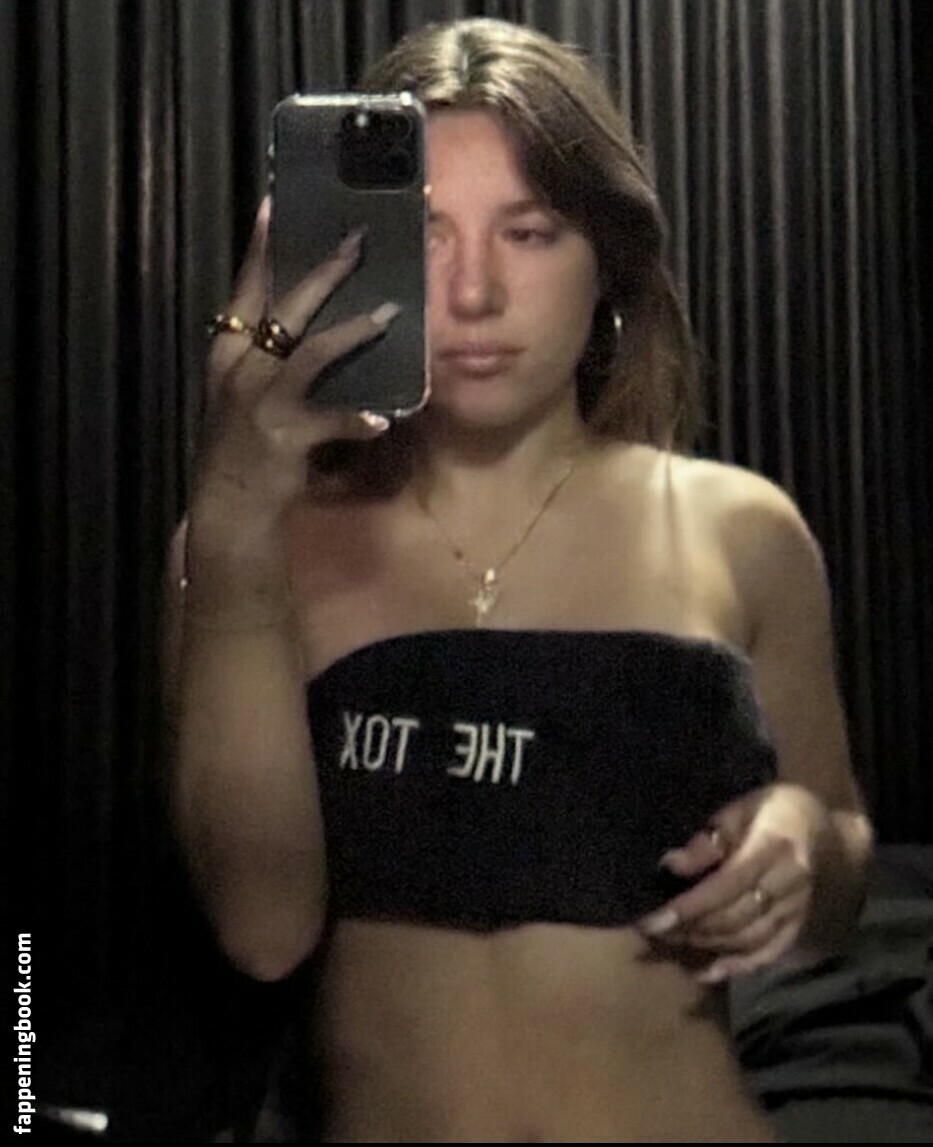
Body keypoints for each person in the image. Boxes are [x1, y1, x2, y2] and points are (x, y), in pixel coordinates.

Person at [163, 17, 873, 1142]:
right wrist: (239, 519)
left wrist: (803, 841)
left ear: (607, 260)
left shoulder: (741, 530)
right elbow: (260, 930)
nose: (476, 293)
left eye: (530, 232)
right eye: (426, 234)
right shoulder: (253, 545)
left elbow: (839, 871)